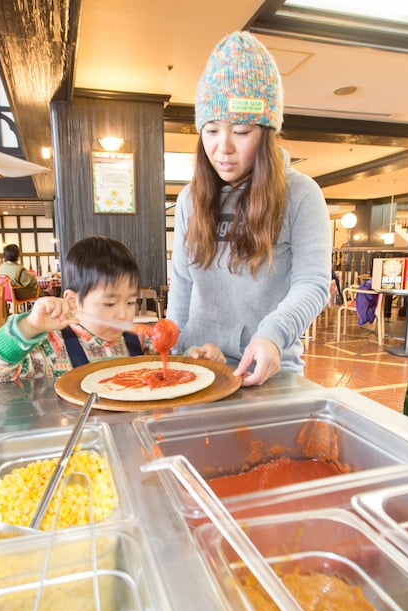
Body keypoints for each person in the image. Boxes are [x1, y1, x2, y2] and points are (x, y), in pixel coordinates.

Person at [169, 31, 332, 386]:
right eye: (211, 130)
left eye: (241, 131)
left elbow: (313, 284)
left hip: (265, 368)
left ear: (266, 132)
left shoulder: (301, 194)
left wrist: (273, 333)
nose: (222, 147)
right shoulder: (189, 199)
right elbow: (181, 285)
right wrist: (175, 349)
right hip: (200, 366)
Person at [0, 235, 223, 382]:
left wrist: (197, 357)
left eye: (130, 301)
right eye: (110, 303)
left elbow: (169, 368)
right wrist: (30, 327)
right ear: (72, 301)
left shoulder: (137, 343)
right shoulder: (51, 348)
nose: (123, 313)